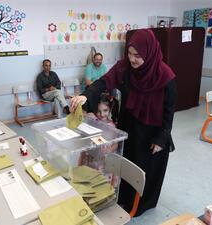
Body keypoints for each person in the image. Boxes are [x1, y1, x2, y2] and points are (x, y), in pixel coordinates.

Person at [71, 29, 177, 216]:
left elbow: (169, 113)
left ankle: (142, 206)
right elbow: (103, 82)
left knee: (145, 172)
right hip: (129, 128)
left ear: (150, 52)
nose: (132, 59)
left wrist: (161, 138)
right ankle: (125, 200)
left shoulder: (165, 77)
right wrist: (85, 97)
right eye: (129, 53)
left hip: (153, 135)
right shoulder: (125, 68)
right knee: (126, 166)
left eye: (137, 55)